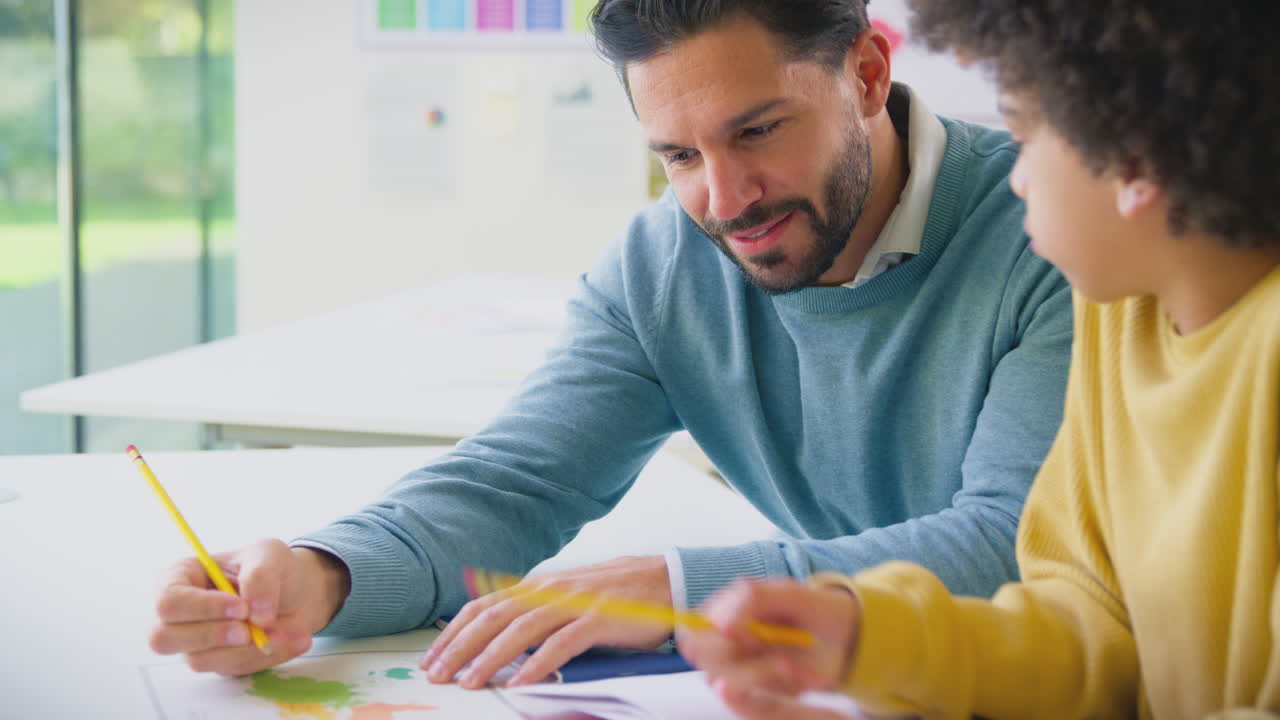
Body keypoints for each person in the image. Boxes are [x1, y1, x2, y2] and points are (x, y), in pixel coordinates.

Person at [148, 0, 1072, 688]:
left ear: (868, 75)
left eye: (757, 131)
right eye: (678, 156)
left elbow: (1013, 547)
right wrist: (322, 575)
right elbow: (518, 481)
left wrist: (672, 588)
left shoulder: (1056, 237)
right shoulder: (663, 261)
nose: (726, 198)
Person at [679, 0, 1280, 717]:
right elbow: (1091, 629)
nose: (1015, 176)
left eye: (1024, 136)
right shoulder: (1120, 307)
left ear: (1135, 157)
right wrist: (870, 637)